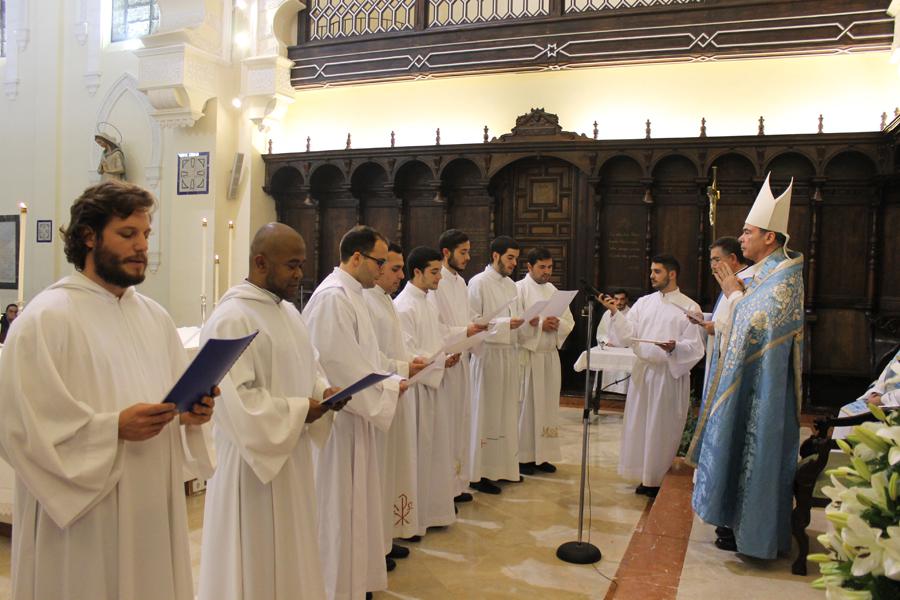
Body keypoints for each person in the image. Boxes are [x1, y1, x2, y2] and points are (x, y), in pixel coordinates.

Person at [0, 180, 215, 600]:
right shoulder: (47, 319)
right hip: (84, 518)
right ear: (89, 236)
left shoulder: (154, 318)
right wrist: (112, 428)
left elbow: (171, 400)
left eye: (146, 234)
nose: (142, 246)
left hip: (150, 504)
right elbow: (21, 426)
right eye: (128, 233)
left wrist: (189, 415)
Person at [198, 223, 344, 600]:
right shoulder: (232, 318)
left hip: (290, 455)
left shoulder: (289, 313)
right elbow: (236, 399)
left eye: (302, 265)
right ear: (261, 263)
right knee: (253, 562)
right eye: (292, 265)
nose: (299, 274)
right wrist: (301, 410)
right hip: (251, 466)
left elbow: (308, 366)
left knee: (292, 553)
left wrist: (323, 392)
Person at [304, 225, 425, 600]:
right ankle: (335, 586)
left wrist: (392, 378)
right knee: (338, 507)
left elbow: (367, 360)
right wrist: (387, 387)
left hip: (357, 419)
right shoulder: (333, 298)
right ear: (356, 257)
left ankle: (355, 580)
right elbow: (338, 367)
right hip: (339, 422)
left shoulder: (354, 295)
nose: (383, 269)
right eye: (379, 262)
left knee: (356, 505)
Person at [687, 174, 804, 559]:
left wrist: (734, 296)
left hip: (763, 387)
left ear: (770, 237)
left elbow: (761, 324)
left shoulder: (784, 275)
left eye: (747, 232)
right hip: (743, 376)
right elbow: (736, 322)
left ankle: (751, 530)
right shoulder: (760, 272)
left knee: (755, 450)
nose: (741, 238)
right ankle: (730, 519)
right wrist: (732, 300)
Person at [598, 254, 705, 498]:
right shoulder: (644, 303)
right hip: (643, 371)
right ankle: (644, 474)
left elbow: (695, 347)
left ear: (672, 274)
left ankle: (657, 478)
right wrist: (614, 312)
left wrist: (675, 348)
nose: (651, 276)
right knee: (640, 424)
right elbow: (627, 335)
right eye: (651, 271)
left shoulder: (689, 307)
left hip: (668, 374)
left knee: (662, 427)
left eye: (657, 271)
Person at [396, 246, 481, 534]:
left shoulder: (427, 302)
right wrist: (440, 361)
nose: (439, 278)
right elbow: (408, 352)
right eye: (434, 272)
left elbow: (440, 334)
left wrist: (453, 348)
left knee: (436, 450)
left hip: (435, 384)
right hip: (418, 391)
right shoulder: (404, 306)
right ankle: (418, 516)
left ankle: (434, 507)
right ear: (417, 272)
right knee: (422, 452)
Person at [362, 242, 419, 564]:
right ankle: (376, 543)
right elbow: (370, 357)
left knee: (392, 468)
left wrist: (410, 363)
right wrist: (402, 368)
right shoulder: (365, 301)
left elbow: (394, 347)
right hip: (379, 394)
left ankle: (385, 535)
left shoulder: (384, 299)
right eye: (395, 269)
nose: (401, 276)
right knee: (379, 472)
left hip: (395, 388)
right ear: (379, 266)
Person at [428, 229, 483, 503]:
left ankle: (457, 484)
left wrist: (476, 328)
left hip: (461, 362)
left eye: (468, 251)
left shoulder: (461, 283)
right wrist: (464, 332)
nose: (468, 257)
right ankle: (443, 490)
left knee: (460, 423)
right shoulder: (434, 284)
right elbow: (434, 327)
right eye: (463, 252)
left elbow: (464, 319)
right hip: (444, 364)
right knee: (446, 427)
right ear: (446, 252)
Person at [468, 235, 525, 494]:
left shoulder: (511, 286)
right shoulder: (478, 283)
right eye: (510, 257)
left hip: (508, 354)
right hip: (487, 356)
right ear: (495, 256)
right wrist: (505, 325)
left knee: (506, 412)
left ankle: (504, 467)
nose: (514, 263)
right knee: (486, 413)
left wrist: (522, 322)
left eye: (516, 258)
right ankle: (480, 472)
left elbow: (515, 317)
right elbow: (473, 322)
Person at [516, 248, 574, 475]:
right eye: (542, 267)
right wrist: (541, 324)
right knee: (527, 408)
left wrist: (557, 324)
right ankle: (524, 458)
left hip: (549, 355)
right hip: (529, 356)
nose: (547, 271)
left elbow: (568, 321)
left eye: (550, 267)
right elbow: (517, 323)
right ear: (529, 266)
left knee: (547, 407)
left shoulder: (553, 291)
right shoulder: (519, 289)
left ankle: (542, 456)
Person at [833, 347, 900, 438]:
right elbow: (888, 371)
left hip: (894, 407)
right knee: (847, 412)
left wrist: (881, 400)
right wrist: (876, 391)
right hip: (882, 398)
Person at [595, 289, 631, 395]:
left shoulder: (632, 313)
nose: (619, 302)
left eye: (622, 299)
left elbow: (632, 333)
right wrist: (605, 342)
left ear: (627, 300)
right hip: (609, 349)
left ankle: (622, 391)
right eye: (616, 299)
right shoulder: (607, 314)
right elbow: (601, 333)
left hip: (624, 350)